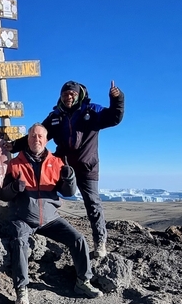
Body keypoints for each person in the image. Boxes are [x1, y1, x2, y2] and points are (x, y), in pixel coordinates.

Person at [7, 80, 124, 259]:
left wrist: (117, 99)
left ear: (79, 95)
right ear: (60, 96)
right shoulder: (56, 116)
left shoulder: (92, 110)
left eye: (72, 94)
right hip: (62, 165)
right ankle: (43, 227)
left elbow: (114, 118)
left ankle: (100, 242)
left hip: (87, 165)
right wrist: (14, 146)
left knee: (92, 203)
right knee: (44, 194)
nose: (68, 97)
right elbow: (39, 135)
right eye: (65, 94)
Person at [0, 123, 103, 304]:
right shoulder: (15, 163)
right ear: (27, 139)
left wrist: (69, 177)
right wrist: (14, 188)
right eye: (32, 136)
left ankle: (83, 282)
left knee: (78, 239)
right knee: (19, 242)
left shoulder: (56, 162)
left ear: (46, 140)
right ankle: (21, 289)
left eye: (40, 136)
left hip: (50, 218)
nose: (36, 139)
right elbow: (4, 195)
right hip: (22, 217)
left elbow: (68, 192)